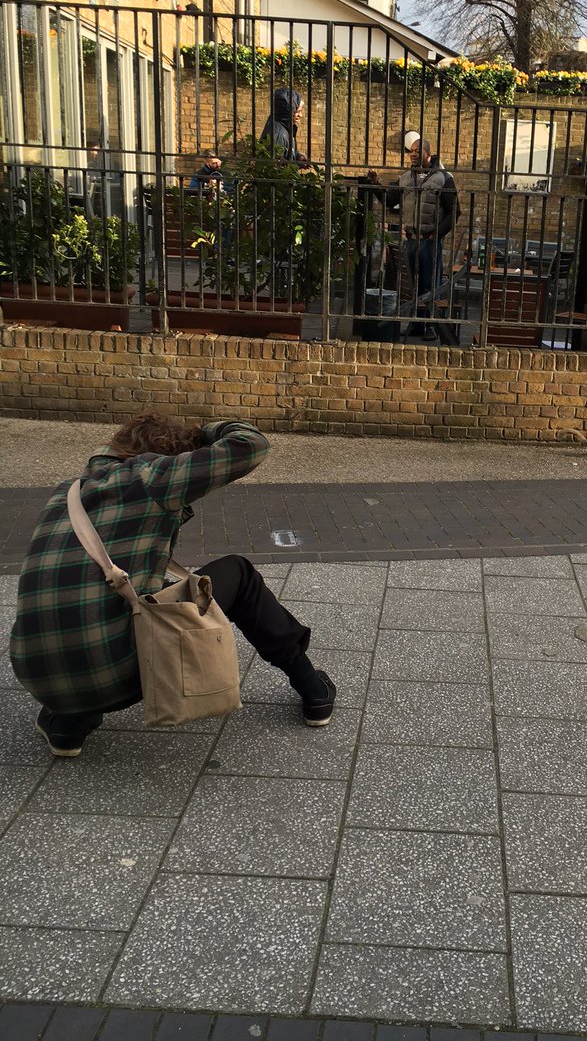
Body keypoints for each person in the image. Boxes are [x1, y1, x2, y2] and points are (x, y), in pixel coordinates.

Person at [10, 413, 335, 757]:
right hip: (119, 677)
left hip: (35, 674)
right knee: (238, 574)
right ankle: (311, 687)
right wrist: (205, 432)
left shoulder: (66, 493)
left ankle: (66, 727)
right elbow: (250, 444)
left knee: (86, 607)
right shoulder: (152, 476)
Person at [382, 138, 459, 337]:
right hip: (411, 239)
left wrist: (437, 234)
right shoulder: (406, 177)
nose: (413, 154)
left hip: (429, 241)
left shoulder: (443, 178)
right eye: (411, 152)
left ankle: (430, 327)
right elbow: (389, 200)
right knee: (411, 284)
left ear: (428, 154)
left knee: (429, 285)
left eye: (417, 151)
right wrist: (374, 184)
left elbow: (454, 212)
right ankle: (416, 325)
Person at [259, 88, 310, 168]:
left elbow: (287, 153)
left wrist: (298, 157)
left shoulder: (285, 127)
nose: (301, 115)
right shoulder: (279, 134)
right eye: (298, 111)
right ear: (288, 111)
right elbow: (275, 170)